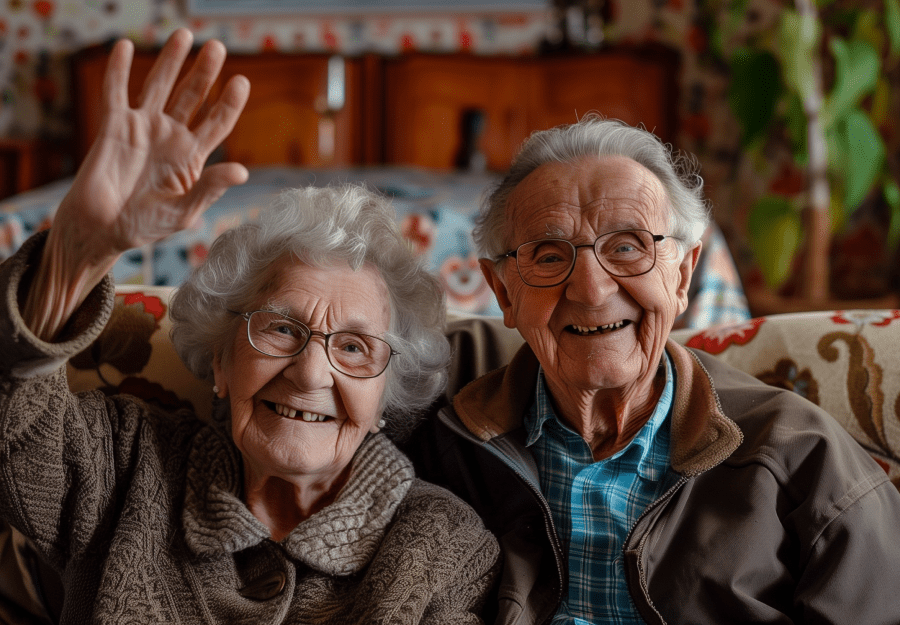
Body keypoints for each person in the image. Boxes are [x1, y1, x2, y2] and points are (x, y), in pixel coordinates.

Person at [0, 29, 498, 623]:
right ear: (220, 359)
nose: (311, 371)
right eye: (282, 329)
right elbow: (15, 419)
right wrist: (72, 256)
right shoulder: (122, 467)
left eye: (355, 346)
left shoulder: (444, 548)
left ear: (385, 396)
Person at [402, 116, 900, 624]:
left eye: (627, 247)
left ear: (683, 276)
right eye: (550, 257)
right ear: (504, 292)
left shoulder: (804, 461)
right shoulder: (447, 414)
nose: (592, 290)